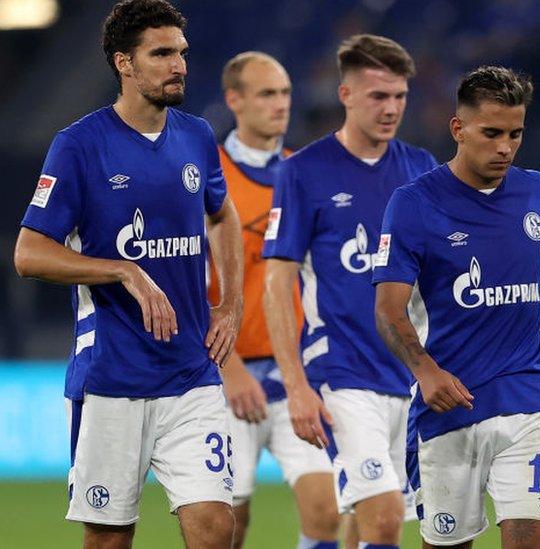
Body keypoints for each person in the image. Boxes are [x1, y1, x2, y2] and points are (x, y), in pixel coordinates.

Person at [13, 0, 243, 547]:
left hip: (191, 371)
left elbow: (223, 215)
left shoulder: (196, 137)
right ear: (125, 63)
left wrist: (231, 302)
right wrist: (122, 271)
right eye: (161, 54)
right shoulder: (79, 146)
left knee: (215, 526)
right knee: (110, 538)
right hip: (113, 376)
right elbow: (29, 253)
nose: (179, 65)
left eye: (181, 53)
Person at [373, 65, 540, 549]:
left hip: (527, 398)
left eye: (515, 133)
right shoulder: (413, 204)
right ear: (458, 128)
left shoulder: (536, 190)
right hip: (449, 405)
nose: (505, 147)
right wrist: (425, 371)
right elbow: (388, 309)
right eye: (491, 133)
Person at [262, 34, 437, 549]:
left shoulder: (422, 169)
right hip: (341, 372)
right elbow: (277, 282)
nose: (391, 109)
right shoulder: (302, 172)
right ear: (346, 95)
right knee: (381, 516)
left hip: (408, 377)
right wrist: (295, 385)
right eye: (378, 96)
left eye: (400, 96)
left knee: (383, 528)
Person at [212, 51, 340, 549]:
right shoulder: (206, 178)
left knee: (326, 512)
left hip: (297, 379)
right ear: (234, 100)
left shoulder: (306, 175)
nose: (281, 104)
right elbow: (183, 284)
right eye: (267, 93)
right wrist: (230, 367)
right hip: (226, 379)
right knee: (225, 526)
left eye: (286, 93)